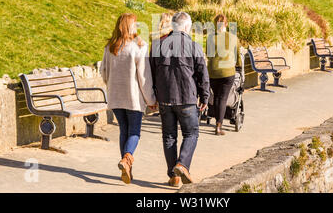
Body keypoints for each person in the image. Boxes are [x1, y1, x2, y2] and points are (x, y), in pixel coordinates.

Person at [150, 12, 210, 187]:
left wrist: (153, 96)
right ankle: (182, 164)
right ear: (186, 27)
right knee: (191, 133)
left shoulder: (157, 45)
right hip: (186, 98)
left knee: (169, 136)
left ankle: (174, 176)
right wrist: (205, 96)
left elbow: (151, 74)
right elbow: (202, 74)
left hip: (165, 99)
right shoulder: (194, 46)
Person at [100, 13, 157, 184]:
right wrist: (151, 100)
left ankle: (126, 168)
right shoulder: (139, 46)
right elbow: (144, 77)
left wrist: (111, 84)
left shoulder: (110, 47)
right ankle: (127, 160)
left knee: (123, 130)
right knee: (134, 132)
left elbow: (103, 72)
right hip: (133, 98)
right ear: (130, 27)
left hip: (116, 97)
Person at [207, 14, 241, 136]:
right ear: (226, 24)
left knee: (216, 97)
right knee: (222, 98)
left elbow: (209, 55)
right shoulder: (233, 37)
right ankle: (218, 126)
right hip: (227, 72)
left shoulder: (211, 38)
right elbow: (237, 56)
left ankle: (217, 122)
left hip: (214, 71)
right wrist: (239, 66)